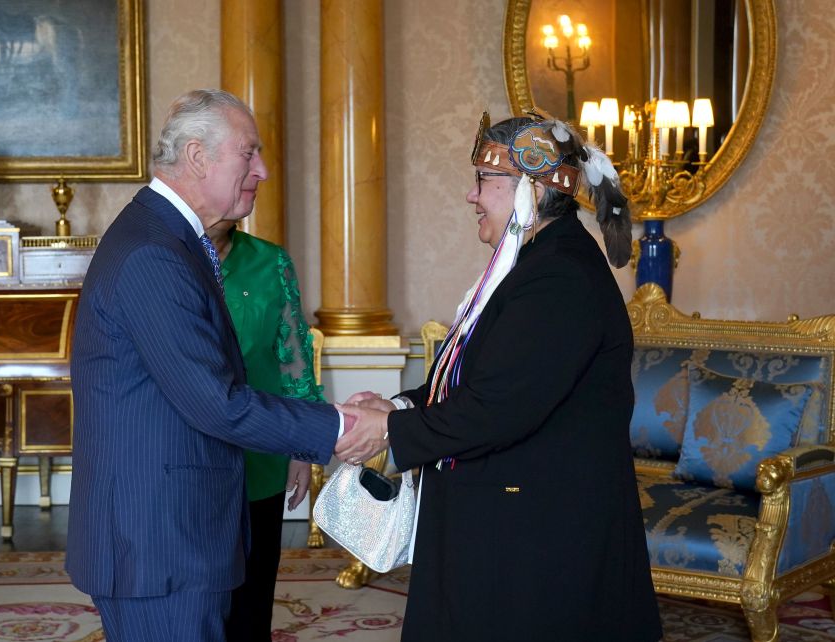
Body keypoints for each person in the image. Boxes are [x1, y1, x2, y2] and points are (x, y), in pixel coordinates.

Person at [336, 110, 663, 641]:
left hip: (540, 537)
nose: (472, 196)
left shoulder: (559, 276)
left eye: (483, 181)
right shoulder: (532, 264)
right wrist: (399, 407)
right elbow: (473, 377)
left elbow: (498, 407)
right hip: (513, 519)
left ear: (529, 191)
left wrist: (391, 433)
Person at [66, 89, 346, 642]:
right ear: (198, 157)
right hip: (160, 543)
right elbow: (213, 402)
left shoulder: (166, 237)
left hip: (171, 531)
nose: (262, 170)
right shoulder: (155, 252)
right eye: (250, 153)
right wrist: (339, 428)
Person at [205, 220, 323, 641]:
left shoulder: (270, 261)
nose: (255, 179)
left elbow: (294, 358)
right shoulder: (167, 254)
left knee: (252, 599)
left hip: (262, 450)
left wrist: (303, 445)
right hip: (189, 457)